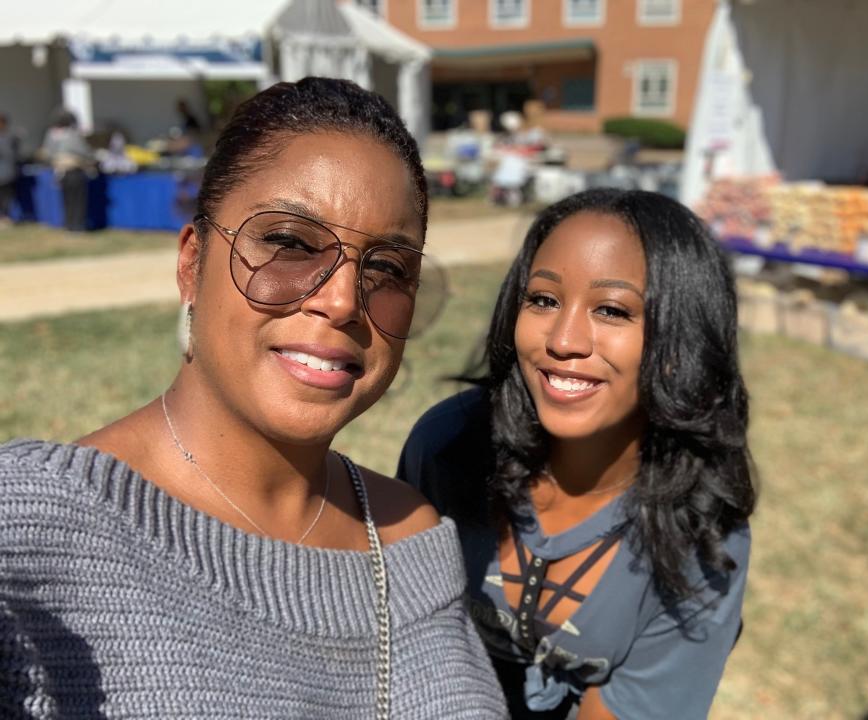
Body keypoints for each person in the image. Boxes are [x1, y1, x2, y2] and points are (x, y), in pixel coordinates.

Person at [0, 77, 506, 719]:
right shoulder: (31, 532)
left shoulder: (410, 540)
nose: (343, 300)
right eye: (290, 243)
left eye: (387, 269)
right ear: (193, 262)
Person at [398, 188, 756, 719]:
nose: (563, 340)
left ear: (681, 344)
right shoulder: (449, 446)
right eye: (542, 300)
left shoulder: (701, 536)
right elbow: (395, 644)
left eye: (611, 310)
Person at [39, 110, 96, 232]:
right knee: (78, 200)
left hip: (60, 172)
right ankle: (77, 226)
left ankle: (69, 225)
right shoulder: (73, 135)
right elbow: (86, 152)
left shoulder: (51, 135)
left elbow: (48, 154)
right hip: (74, 171)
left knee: (67, 200)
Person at [0, 113, 19, 225]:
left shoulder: (9, 137)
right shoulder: (7, 138)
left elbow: (13, 155)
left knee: (6, 196)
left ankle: (5, 216)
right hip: (4, 173)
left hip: (6, 173)